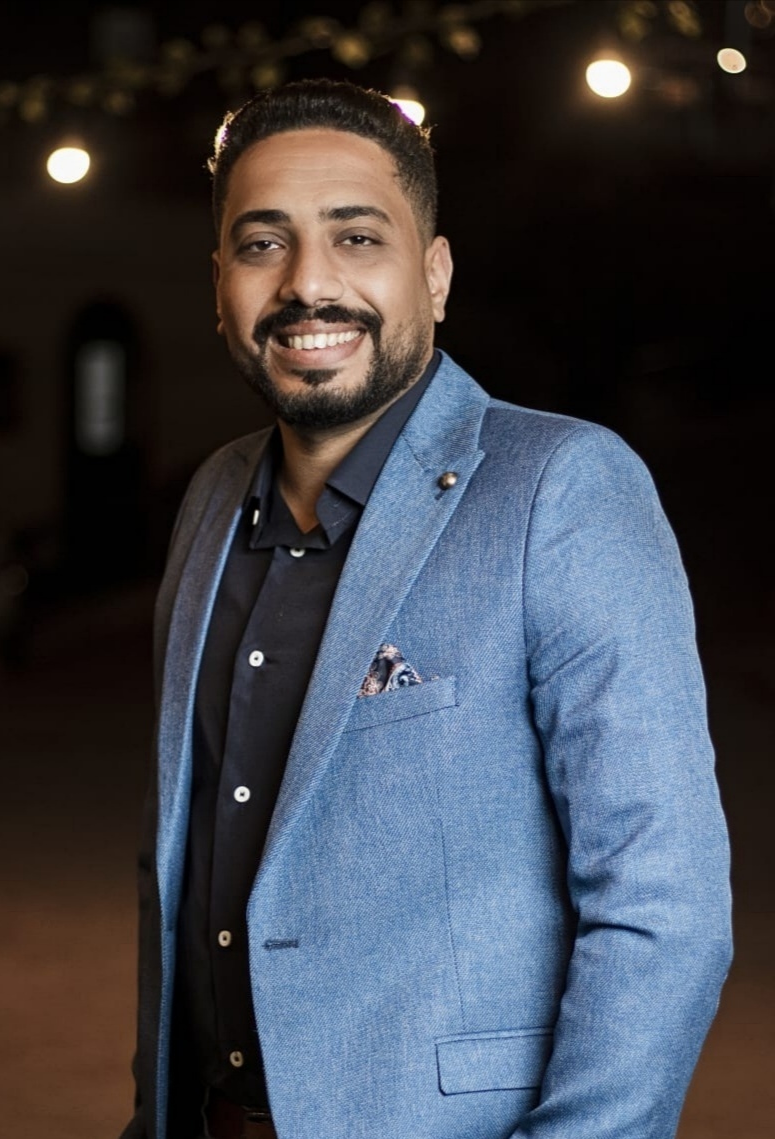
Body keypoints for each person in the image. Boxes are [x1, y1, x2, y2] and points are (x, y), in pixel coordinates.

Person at [121, 79, 732, 1139]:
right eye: (263, 244)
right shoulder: (212, 499)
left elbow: (663, 903)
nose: (309, 282)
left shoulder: (561, 489)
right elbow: (173, 863)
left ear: (435, 275)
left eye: (357, 237)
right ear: (220, 284)